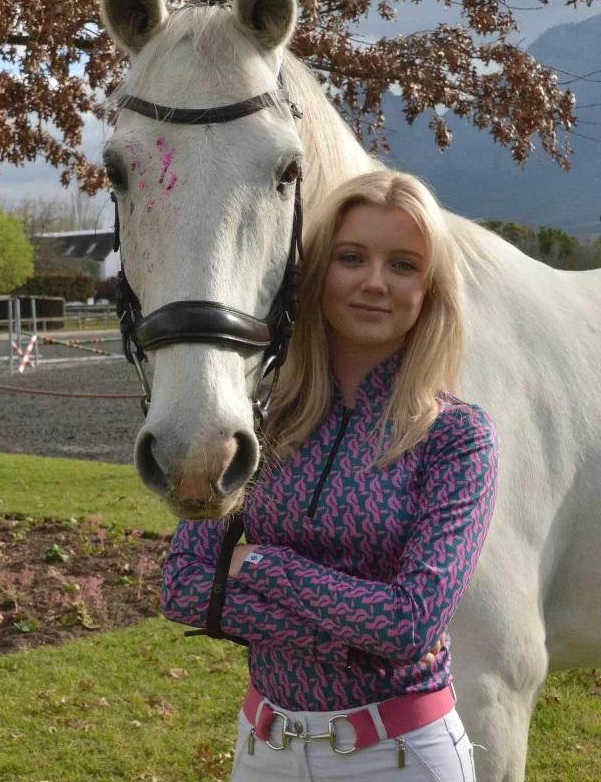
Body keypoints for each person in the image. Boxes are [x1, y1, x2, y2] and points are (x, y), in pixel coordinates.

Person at [161, 170, 499, 781]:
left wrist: (263, 566)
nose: (375, 281)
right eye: (352, 257)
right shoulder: (260, 422)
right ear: (317, 271)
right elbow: (185, 587)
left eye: (403, 265)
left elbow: (410, 623)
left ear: (429, 289)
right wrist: (346, 642)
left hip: (399, 755)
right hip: (265, 751)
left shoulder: (456, 437)